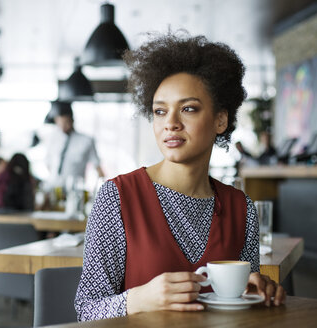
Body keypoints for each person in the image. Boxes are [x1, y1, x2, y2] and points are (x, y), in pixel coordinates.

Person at [75, 32, 285, 321]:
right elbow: (86, 310)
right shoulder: (118, 197)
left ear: (220, 120)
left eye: (188, 109)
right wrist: (138, 299)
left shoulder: (242, 208)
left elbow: (241, 305)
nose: (170, 124)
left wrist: (259, 292)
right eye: (160, 111)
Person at [44, 100, 104, 189]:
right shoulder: (52, 139)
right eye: (59, 122)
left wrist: (102, 188)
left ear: (72, 120)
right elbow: (48, 163)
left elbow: (98, 167)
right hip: (53, 188)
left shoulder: (86, 141)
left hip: (75, 191)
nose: (63, 126)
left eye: (65, 122)